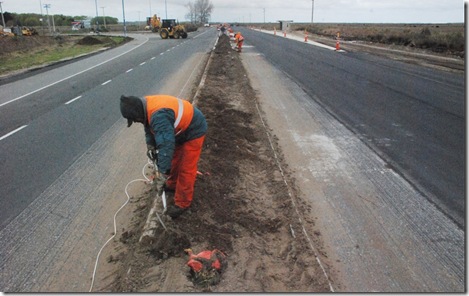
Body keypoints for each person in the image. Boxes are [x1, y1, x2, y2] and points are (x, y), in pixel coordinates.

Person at [120, 94, 207, 218]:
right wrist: (150, 144)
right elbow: (148, 125)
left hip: (194, 129)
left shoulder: (159, 116)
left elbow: (166, 146)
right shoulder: (145, 107)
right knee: (174, 160)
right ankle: (172, 184)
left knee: (186, 168)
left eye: (135, 119)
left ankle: (183, 203)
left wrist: (162, 173)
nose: (136, 122)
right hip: (179, 130)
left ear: (138, 113)